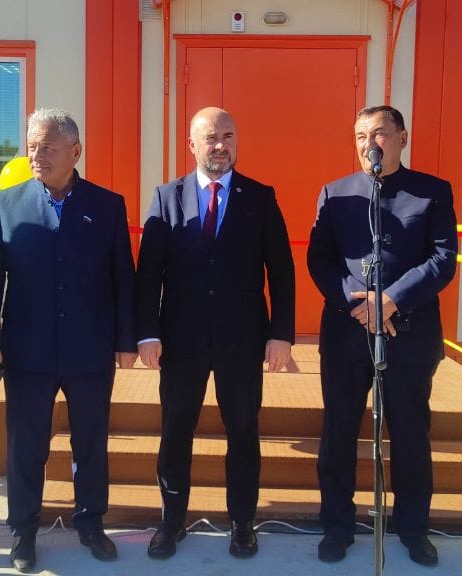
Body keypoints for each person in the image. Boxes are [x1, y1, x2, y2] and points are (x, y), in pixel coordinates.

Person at [0, 108, 137, 573]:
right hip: (27, 351)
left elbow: (123, 278)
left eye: (47, 147)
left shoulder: (108, 206)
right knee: (26, 446)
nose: (36, 155)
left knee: (90, 444)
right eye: (31, 146)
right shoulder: (6, 204)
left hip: (90, 349)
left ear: (75, 151)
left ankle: (91, 523)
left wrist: (126, 340)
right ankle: (23, 531)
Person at [135, 107, 296, 560]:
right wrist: (146, 333)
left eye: (228, 136)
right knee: (175, 431)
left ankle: (242, 523)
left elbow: (281, 271)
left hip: (242, 341)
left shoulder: (260, 197)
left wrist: (281, 334)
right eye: (211, 137)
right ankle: (171, 522)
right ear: (192, 145)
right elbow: (149, 274)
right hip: (180, 341)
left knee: (243, 431)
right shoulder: (166, 197)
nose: (220, 145)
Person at [307, 105, 457, 566]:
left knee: (410, 434)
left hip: (410, 333)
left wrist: (391, 300)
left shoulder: (432, 192)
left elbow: (442, 259)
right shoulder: (335, 193)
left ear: (401, 138)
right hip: (347, 331)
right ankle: (337, 526)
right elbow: (320, 260)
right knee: (338, 431)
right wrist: (358, 303)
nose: (368, 143)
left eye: (378, 134)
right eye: (359, 135)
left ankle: (413, 529)